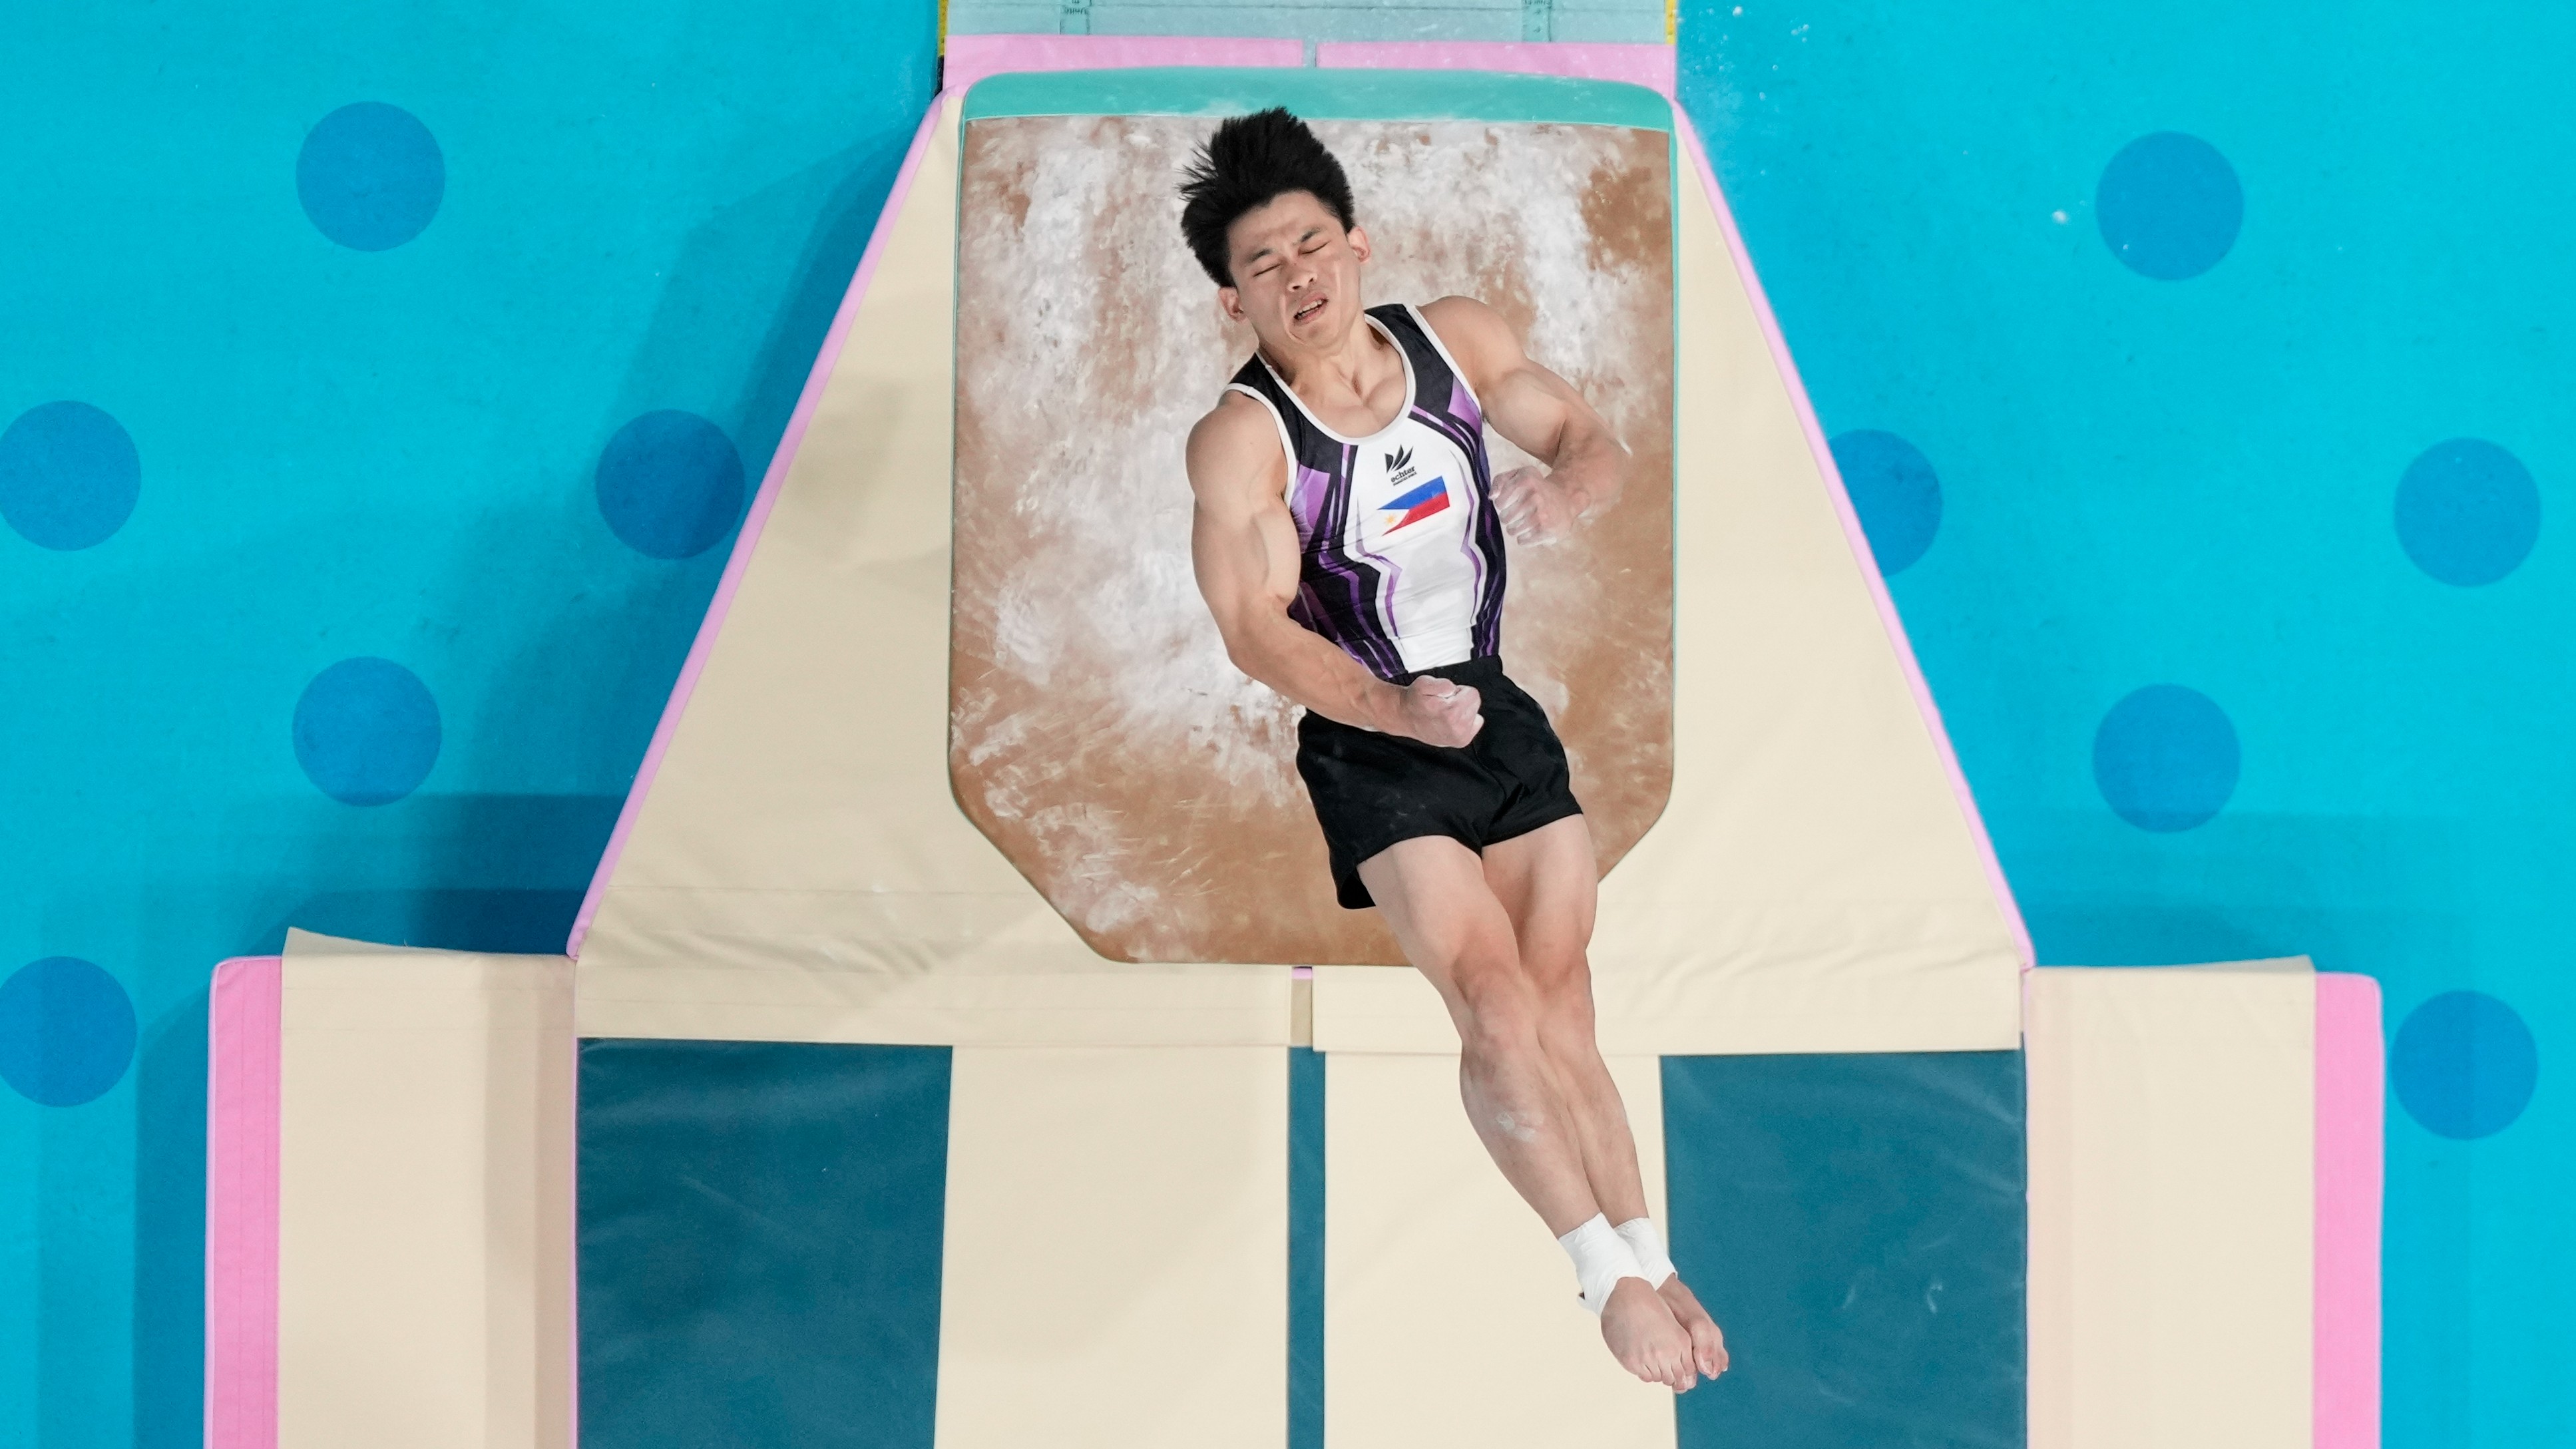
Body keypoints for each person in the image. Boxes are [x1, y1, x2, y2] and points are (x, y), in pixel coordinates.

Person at [1179, 108, 1728, 1393]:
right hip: (1371, 744)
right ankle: (1600, 1274)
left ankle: (1651, 1251)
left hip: (1493, 703)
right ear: (1232, 297)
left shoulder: (1460, 344)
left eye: (1312, 245)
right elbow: (1253, 632)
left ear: (1357, 245)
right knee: (1488, 1000)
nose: (1297, 277)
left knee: (1564, 1004)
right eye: (1265, 265)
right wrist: (1388, 710)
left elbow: (1594, 446)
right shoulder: (1241, 442)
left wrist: (1569, 487)